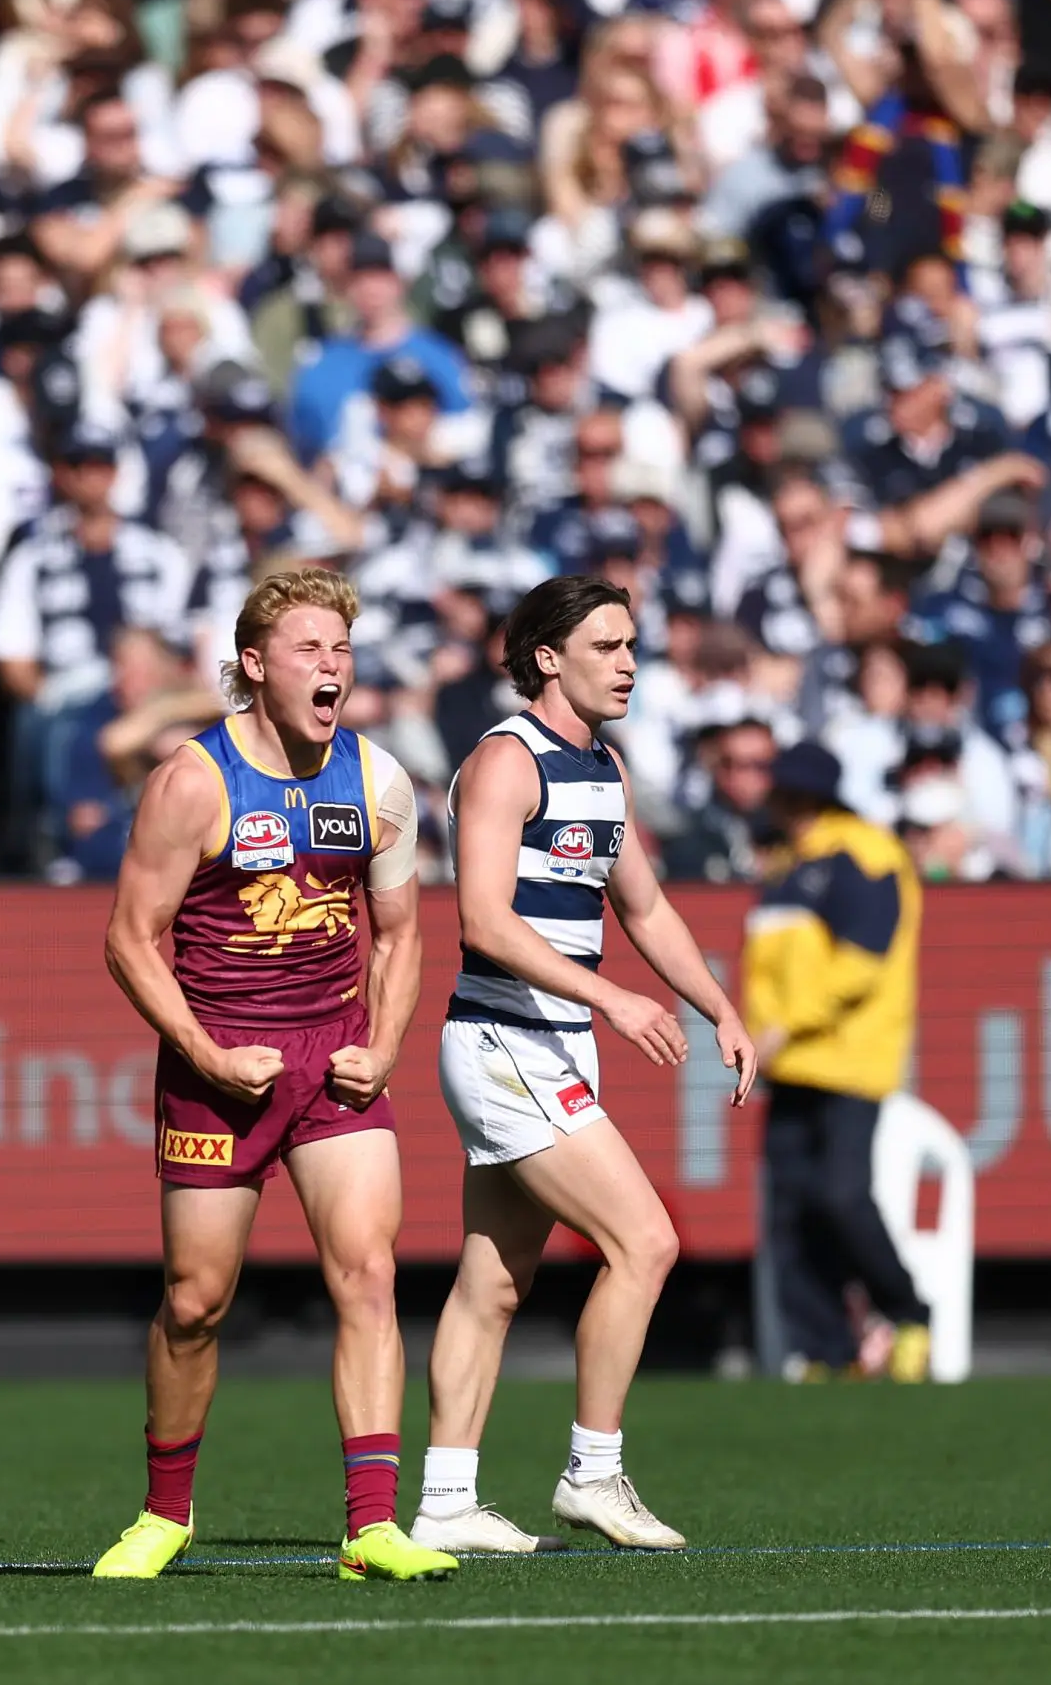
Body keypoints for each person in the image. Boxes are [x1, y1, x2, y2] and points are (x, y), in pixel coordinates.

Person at [93, 567, 455, 1586]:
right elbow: (129, 938)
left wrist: (382, 1047)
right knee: (197, 1300)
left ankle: (372, 1526)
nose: (331, 665)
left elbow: (401, 935)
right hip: (219, 1068)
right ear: (254, 665)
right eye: (309, 647)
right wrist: (205, 1054)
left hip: (333, 1062)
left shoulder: (375, 778)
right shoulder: (191, 781)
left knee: (369, 1272)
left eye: (340, 647)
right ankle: (165, 1512)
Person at [417, 575, 759, 1555]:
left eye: (633, 645)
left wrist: (717, 1004)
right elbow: (481, 920)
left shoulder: (600, 766)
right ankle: (593, 1473)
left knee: (492, 1283)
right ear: (546, 657)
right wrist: (608, 997)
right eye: (607, 645)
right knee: (645, 1241)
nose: (629, 663)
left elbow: (643, 907)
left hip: (549, 1041)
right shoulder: (503, 762)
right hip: (504, 1039)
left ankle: (445, 1498)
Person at [743, 741, 932, 1384]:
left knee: (843, 1197)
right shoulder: (790, 862)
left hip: (849, 1057)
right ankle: (823, 1352)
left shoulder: (864, 853)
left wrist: (779, 1027)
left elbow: (861, 962)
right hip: (793, 1061)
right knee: (791, 1214)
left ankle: (908, 1315)